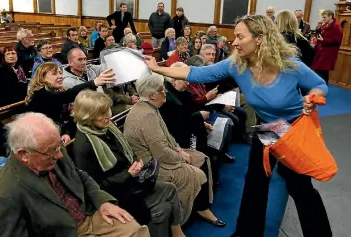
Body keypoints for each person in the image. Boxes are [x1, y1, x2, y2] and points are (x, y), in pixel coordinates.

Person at [143, 14, 332, 237]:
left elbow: (319, 85)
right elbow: (195, 73)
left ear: (260, 38)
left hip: (293, 128)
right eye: (234, 37)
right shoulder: (237, 65)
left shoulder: (290, 65)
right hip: (269, 128)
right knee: (256, 181)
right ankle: (248, 232)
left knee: (299, 186)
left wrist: (313, 97)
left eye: (240, 37)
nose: (234, 42)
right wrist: (158, 69)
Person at [0, 112, 150, 237]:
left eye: (59, 146)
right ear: (24, 154)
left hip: (89, 215)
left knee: (137, 231)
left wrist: (102, 201)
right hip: (66, 233)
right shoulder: (7, 190)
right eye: (51, 153)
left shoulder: (51, 147)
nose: (59, 155)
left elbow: (80, 176)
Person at [72, 90, 186, 237]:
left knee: (170, 189)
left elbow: (125, 152)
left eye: (107, 110)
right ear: (88, 116)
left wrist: (134, 161)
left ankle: (177, 231)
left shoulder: (107, 128)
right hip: (117, 194)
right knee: (163, 209)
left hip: (131, 183)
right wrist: (128, 174)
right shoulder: (84, 146)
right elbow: (95, 186)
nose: (108, 116)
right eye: (101, 114)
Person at [123, 73, 225, 226]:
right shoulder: (146, 116)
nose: (165, 91)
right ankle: (184, 217)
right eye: (161, 89)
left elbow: (166, 137)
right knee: (195, 173)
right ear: (152, 96)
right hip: (152, 166)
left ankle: (200, 207)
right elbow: (161, 152)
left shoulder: (150, 107)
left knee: (201, 157)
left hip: (159, 156)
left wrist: (178, 149)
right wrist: (180, 157)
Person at [26, 62, 115, 142]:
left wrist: (66, 133)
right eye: (54, 74)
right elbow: (68, 94)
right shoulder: (40, 94)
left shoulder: (56, 92)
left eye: (60, 73)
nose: (60, 76)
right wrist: (93, 83)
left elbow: (64, 120)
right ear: (42, 78)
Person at [311, 10, 343, 84]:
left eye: (324, 17)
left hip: (328, 52)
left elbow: (337, 41)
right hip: (321, 50)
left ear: (330, 16)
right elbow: (320, 34)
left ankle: (324, 86)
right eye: (322, 17)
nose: (323, 19)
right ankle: (320, 85)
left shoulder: (336, 27)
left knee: (323, 70)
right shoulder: (325, 25)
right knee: (319, 69)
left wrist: (324, 40)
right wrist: (318, 28)